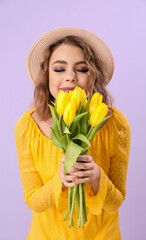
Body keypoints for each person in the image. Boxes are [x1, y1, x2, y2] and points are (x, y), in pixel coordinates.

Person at [15, 27, 131, 240]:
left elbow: (116, 202)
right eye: (59, 69)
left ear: (93, 75)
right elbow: (33, 201)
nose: (70, 77)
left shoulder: (115, 124)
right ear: (46, 75)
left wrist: (97, 177)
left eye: (82, 69)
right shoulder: (27, 126)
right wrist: (60, 179)